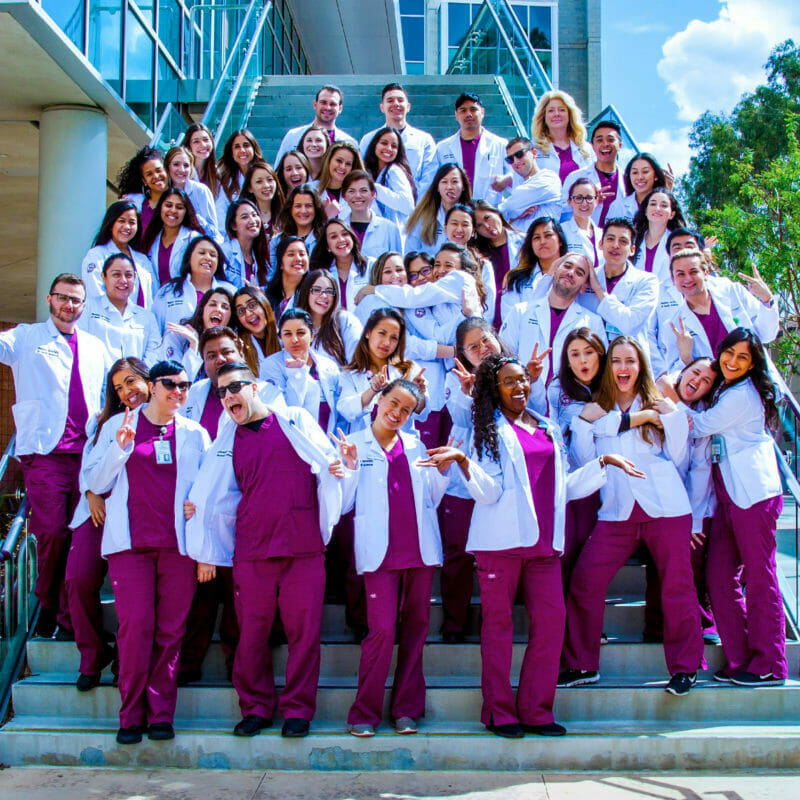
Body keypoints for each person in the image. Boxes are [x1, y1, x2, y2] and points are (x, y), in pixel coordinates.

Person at [421, 355, 633, 738]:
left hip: (544, 547)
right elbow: (490, 492)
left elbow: (563, 487)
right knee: (498, 628)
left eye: (523, 380)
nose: (519, 387)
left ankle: (537, 711)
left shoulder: (547, 427)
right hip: (500, 545)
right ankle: (499, 712)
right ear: (493, 389)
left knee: (552, 624)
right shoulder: (486, 431)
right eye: (509, 382)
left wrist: (603, 461)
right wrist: (464, 464)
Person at [185, 361, 345, 738]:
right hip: (253, 551)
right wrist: (198, 510)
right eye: (221, 392)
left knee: (303, 635)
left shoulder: (295, 421)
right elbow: (215, 492)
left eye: (235, 387)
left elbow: (328, 465)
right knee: (251, 635)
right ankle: (255, 708)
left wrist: (342, 468)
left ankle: (298, 711)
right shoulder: (228, 438)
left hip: (302, 548)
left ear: (255, 387)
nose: (228, 396)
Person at [559, 336, 704, 696]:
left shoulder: (664, 407)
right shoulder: (593, 408)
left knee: (677, 587)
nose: (623, 368)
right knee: (585, 581)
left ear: (641, 366)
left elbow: (681, 456)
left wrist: (695, 515)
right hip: (616, 512)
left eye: (631, 361)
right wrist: (585, 422)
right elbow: (580, 459)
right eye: (617, 361)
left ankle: (685, 668)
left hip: (666, 508)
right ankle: (582, 664)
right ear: (608, 367)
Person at [84, 360, 211, 744]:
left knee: (170, 633)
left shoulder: (194, 434)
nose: (177, 391)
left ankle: (160, 715)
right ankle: (130, 715)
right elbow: (94, 481)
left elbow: (208, 492)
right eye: (169, 384)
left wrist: (204, 545)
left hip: (178, 549)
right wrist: (120, 449)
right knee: (136, 629)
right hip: (131, 547)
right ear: (152, 386)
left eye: (184, 386)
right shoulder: (116, 426)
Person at [332, 379, 450, 737]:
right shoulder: (355, 443)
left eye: (406, 410)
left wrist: (442, 473)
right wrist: (349, 467)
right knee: (381, 632)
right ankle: (364, 712)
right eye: (393, 403)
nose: (397, 413)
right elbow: (345, 504)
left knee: (416, 631)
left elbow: (431, 498)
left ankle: (406, 710)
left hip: (419, 551)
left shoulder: (416, 446)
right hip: (380, 555)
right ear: (379, 399)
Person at [0, 274, 109, 639]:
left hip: (88, 457)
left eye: (76, 300)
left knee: (82, 540)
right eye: (62, 298)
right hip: (45, 454)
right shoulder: (25, 336)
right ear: (49, 299)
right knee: (52, 531)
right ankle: (47, 603)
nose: (69, 305)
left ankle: (66, 616)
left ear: (84, 305)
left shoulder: (96, 346)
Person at [683, 329, 786, 686]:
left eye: (743, 358)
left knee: (760, 578)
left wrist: (666, 393)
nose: (733, 362)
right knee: (719, 577)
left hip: (753, 497)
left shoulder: (742, 395)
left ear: (753, 364)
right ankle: (742, 659)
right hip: (728, 496)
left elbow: (696, 426)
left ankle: (770, 664)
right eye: (729, 353)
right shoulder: (726, 387)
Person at [66, 357, 151, 691]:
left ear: (148, 380)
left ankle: (125, 659)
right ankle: (94, 653)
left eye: (131, 381)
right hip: (96, 511)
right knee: (77, 579)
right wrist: (90, 492)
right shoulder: (107, 421)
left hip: (136, 515)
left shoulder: (167, 417)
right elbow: (89, 465)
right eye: (118, 387)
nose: (126, 391)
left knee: (131, 597)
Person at [178, 326, 248, 685]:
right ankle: (188, 665)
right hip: (198, 511)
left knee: (239, 598)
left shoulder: (256, 392)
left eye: (225, 351)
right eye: (210, 355)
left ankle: (238, 668)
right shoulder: (194, 394)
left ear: (239, 349)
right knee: (199, 597)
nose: (219, 360)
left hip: (242, 512)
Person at [437, 318, 514, 643]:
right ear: (463, 354)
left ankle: (497, 624)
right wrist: (471, 393)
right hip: (463, 480)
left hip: (505, 480)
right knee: (457, 554)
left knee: (499, 555)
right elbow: (460, 416)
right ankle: (455, 623)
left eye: (485, 340)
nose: (482, 349)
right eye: (473, 346)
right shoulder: (458, 379)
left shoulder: (514, 371)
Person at [547, 329, 607, 597]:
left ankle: (585, 617)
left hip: (606, 479)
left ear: (601, 355)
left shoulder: (613, 385)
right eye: (575, 354)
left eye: (589, 353)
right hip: (570, 479)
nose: (582, 360)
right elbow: (548, 428)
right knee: (568, 546)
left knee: (592, 554)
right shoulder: (558, 387)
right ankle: (562, 617)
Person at [500, 253, 607, 401]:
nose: (570, 273)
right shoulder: (521, 311)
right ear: (555, 270)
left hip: (570, 405)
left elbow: (600, 371)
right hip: (522, 400)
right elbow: (503, 358)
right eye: (567, 266)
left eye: (579, 273)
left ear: (584, 287)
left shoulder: (592, 322)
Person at [657, 249, 778, 375]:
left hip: (756, 381)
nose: (687, 279)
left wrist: (767, 299)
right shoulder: (674, 326)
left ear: (706, 272)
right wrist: (686, 357)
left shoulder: (733, 292)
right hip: (718, 392)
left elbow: (767, 335)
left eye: (693, 271)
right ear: (672, 279)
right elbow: (675, 375)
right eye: (680, 274)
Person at [578, 217, 659, 367]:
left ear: (632, 249)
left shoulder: (647, 281)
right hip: (591, 364)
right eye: (610, 239)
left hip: (628, 363)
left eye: (623, 241)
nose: (615, 245)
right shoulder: (585, 278)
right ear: (600, 244)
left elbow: (629, 324)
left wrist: (598, 289)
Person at [338, 308, 428, 434]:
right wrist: (373, 390)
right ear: (368, 332)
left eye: (394, 338)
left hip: (400, 448)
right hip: (362, 448)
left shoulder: (409, 370)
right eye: (382, 333)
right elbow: (346, 411)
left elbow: (422, 415)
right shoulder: (349, 374)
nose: (386, 342)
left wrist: (419, 394)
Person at [262, 308, 341, 436]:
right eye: (287, 334)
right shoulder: (271, 366)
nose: (294, 340)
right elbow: (285, 412)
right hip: (294, 442)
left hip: (329, 441)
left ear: (312, 336)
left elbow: (338, 413)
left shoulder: (329, 367)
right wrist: (295, 375)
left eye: (301, 333)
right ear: (280, 337)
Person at [82, 254, 161, 364]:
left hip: (137, 378)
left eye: (128, 275)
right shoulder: (87, 309)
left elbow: (154, 353)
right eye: (116, 275)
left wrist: (137, 377)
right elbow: (80, 347)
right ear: (103, 277)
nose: (123, 280)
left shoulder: (147, 317)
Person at [359, 83, 437, 193]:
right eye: (390, 100)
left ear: (408, 107)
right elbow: (363, 173)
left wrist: (412, 203)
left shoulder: (424, 140)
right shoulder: (368, 139)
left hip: (414, 206)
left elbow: (429, 178)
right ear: (382, 107)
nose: (396, 104)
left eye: (400, 100)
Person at [435, 92, 510, 204]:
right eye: (463, 110)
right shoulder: (443, 147)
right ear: (456, 115)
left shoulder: (500, 144)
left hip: (489, 211)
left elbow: (515, 176)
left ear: (482, 112)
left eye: (473, 109)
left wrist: (507, 179)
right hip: (455, 212)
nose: (468, 114)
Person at [151, 236, 235, 334]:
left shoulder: (231, 291)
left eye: (213, 255)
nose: (207, 257)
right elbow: (154, 330)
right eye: (202, 253)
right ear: (189, 258)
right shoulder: (169, 291)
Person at [81, 200, 154, 308]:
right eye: (121, 221)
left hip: (141, 322)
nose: (127, 227)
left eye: (132, 222)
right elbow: (96, 295)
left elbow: (152, 297)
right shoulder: (97, 255)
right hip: (109, 321)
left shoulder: (142, 260)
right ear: (111, 224)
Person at [159, 287, 234, 381]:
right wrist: (193, 346)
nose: (218, 309)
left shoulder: (233, 344)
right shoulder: (177, 336)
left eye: (225, 307)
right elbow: (178, 382)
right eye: (212, 304)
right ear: (202, 310)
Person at [501, 216, 568, 320]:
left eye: (548, 235)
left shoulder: (572, 275)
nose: (542, 241)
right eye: (536, 238)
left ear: (560, 240)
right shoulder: (515, 279)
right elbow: (509, 319)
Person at [562, 121, 626, 227]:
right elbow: (562, 211)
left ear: (619, 145)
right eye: (600, 140)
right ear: (592, 146)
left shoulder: (628, 179)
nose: (605, 144)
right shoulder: (575, 177)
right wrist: (586, 199)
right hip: (584, 238)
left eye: (610, 140)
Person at [473, 200, 526, 326]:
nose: (487, 226)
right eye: (479, 225)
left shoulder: (524, 242)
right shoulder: (476, 253)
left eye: (487, 218)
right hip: (490, 317)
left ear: (497, 213)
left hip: (519, 312)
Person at [274, 84, 358, 164]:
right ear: (315, 104)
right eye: (323, 102)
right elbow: (279, 170)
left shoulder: (349, 142)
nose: (327, 107)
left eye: (332, 104)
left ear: (340, 109)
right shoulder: (293, 136)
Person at [139, 188, 205, 288]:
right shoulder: (151, 238)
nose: (173, 210)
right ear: (160, 207)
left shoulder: (194, 239)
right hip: (157, 300)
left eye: (179, 207)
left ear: (186, 212)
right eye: (168, 205)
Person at [295, 268, 362, 365]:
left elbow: (357, 363)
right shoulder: (295, 323)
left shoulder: (344, 320)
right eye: (317, 290)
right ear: (306, 292)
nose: (324, 296)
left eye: (329, 291)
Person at [496, 137, 562, 231]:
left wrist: (511, 212)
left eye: (519, 154)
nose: (516, 162)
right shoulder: (520, 185)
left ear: (534, 153)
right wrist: (515, 217)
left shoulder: (549, 178)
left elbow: (510, 206)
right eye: (510, 159)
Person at [405, 163, 471, 255]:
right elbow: (410, 253)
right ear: (437, 187)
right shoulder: (422, 217)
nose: (449, 187)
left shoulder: (472, 216)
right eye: (444, 182)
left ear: (463, 186)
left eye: (454, 181)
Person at [531, 90, 594, 183]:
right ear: (543, 116)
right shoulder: (532, 149)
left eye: (562, 110)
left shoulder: (585, 148)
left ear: (570, 114)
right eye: (551, 110)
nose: (556, 114)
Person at [309, 218, 371, 311]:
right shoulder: (322, 274)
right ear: (327, 246)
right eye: (334, 237)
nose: (341, 239)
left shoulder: (372, 265)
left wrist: (373, 289)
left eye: (345, 234)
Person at [340, 171, 404, 259]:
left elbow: (398, 265)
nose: (358, 195)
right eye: (351, 191)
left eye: (364, 190)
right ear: (344, 196)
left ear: (373, 194)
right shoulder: (338, 229)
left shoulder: (389, 229)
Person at [632, 188, 687, 286]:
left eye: (664, 205)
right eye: (653, 204)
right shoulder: (633, 241)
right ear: (645, 210)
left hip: (670, 298)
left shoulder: (680, 243)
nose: (657, 208)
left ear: (672, 214)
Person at [362, 126, 416, 227]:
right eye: (384, 143)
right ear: (375, 145)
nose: (389, 148)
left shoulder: (394, 171)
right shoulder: (369, 171)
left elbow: (407, 205)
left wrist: (373, 188)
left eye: (394, 146)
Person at [164, 145, 219, 237]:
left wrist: (194, 219)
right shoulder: (163, 192)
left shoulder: (201, 190)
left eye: (186, 165)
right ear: (167, 167)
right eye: (176, 164)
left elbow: (214, 232)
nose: (181, 170)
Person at [608, 152, 674, 222]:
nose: (640, 177)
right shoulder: (618, 206)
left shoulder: (668, 207)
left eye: (645, 172)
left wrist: (667, 195)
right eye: (635, 173)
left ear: (656, 176)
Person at [270, 184, 326, 266]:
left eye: (308, 206)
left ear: (316, 209)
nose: (303, 211)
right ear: (290, 209)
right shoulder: (277, 241)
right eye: (298, 206)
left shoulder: (326, 239)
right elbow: (271, 274)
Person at [217, 129, 264, 223]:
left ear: (254, 149)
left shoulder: (265, 174)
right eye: (237, 147)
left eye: (246, 145)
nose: (242, 150)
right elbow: (220, 211)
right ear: (232, 153)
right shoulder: (225, 180)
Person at [222, 198, 271, 288]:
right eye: (244, 217)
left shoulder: (262, 256)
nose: (252, 221)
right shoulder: (225, 252)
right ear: (233, 226)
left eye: (254, 215)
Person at [233, 286, 281, 377]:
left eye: (252, 305)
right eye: (241, 311)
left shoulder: (284, 336)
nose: (248, 313)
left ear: (264, 304)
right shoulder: (238, 348)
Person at [117, 146, 168, 233]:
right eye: (149, 174)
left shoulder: (180, 199)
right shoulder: (135, 203)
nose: (156, 176)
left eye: (158, 170)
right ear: (144, 181)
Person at [562, 178, 603, 268]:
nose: (584, 203)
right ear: (569, 202)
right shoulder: (561, 231)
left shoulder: (603, 234)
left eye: (589, 198)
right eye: (578, 198)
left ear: (596, 201)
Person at [315, 141, 364, 217]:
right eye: (339, 161)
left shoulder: (360, 194)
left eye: (348, 164)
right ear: (328, 161)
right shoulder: (311, 189)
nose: (342, 167)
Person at [264, 236, 309, 317]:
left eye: (302, 254)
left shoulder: (312, 295)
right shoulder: (268, 296)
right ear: (281, 263)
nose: (298, 259)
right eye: (291, 254)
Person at [241, 160, 285, 239]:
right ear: (250, 188)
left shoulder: (286, 215)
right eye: (259, 181)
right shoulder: (243, 217)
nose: (266, 185)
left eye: (270, 180)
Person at [181, 123, 221, 208]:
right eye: (196, 141)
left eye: (206, 140)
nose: (202, 145)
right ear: (189, 146)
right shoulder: (182, 173)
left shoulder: (216, 174)